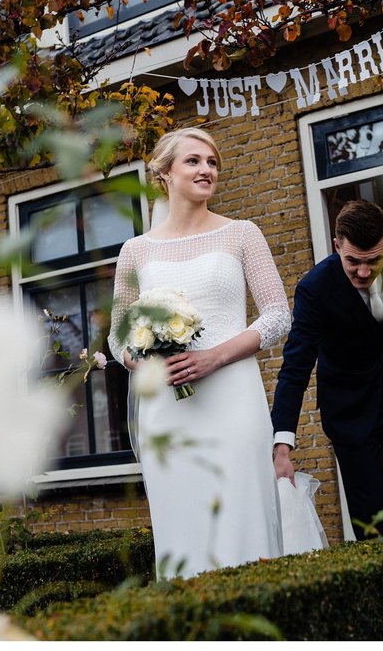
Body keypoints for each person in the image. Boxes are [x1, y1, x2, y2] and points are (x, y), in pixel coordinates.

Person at [107, 127, 291, 579]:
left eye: (212, 162)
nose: (207, 169)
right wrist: (143, 358)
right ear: (164, 173)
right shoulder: (135, 252)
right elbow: (117, 337)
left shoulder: (243, 235)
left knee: (241, 517)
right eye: (193, 161)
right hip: (167, 410)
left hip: (233, 399)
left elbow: (277, 317)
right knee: (183, 530)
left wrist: (216, 357)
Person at [271, 199, 383, 540]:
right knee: (370, 522)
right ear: (336, 245)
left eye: (374, 261)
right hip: (349, 410)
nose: (364, 273)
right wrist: (282, 446)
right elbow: (295, 367)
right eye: (353, 261)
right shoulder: (314, 289)